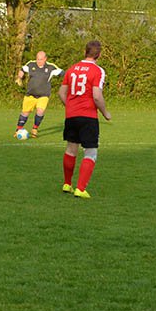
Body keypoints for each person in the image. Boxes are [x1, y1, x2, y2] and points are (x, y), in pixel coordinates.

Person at [58, 40, 111, 199]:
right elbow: (97, 96)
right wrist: (105, 113)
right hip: (88, 116)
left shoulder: (72, 69)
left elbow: (61, 92)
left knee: (71, 149)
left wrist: (70, 106)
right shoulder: (98, 71)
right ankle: (80, 189)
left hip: (71, 115)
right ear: (99, 55)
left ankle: (67, 184)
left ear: (85, 52)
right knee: (91, 152)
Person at [15, 51, 63, 138]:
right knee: (25, 112)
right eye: (37, 59)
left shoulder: (51, 67)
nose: (39, 61)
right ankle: (18, 129)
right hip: (30, 94)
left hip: (43, 95)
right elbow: (22, 69)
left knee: (40, 111)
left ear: (45, 59)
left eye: (41, 59)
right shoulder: (31, 64)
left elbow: (63, 73)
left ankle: (35, 129)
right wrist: (19, 77)